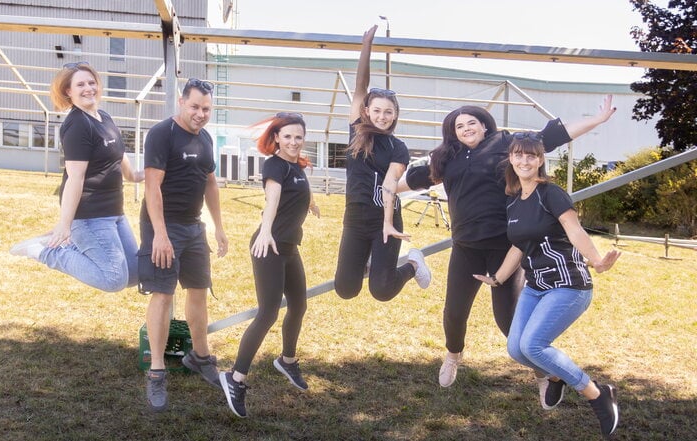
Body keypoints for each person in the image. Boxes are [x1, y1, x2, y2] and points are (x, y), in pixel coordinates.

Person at [400, 95, 616, 388]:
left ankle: (543, 374)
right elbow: (409, 181)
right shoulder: (446, 157)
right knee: (454, 311)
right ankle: (453, 355)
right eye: (459, 126)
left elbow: (551, 136)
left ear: (484, 126)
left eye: (471, 123)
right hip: (466, 247)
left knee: (508, 320)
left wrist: (597, 120)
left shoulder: (505, 145)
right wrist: (382, 190)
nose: (465, 129)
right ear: (453, 132)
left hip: (506, 248)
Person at [473, 132, 621, 438]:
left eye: (531, 156)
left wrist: (595, 259)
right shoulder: (514, 202)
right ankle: (556, 376)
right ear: (511, 159)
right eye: (518, 155)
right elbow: (518, 247)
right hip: (535, 286)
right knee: (516, 349)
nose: (524, 161)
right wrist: (498, 278)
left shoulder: (550, 193)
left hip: (568, 283)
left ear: (540, 160)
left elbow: (574, 229)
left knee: (533, 345)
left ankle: (598, 394)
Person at [218, 112, 320, 418]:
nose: (293, 142)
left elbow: (301, 189)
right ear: (276, 137)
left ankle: (287, 360)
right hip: (270, 246)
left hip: (289, 247)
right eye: (287, 136)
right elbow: (272, 199)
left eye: (298, 137)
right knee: (268, 313)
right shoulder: (275, 165)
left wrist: (312, 203)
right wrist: (265, 231)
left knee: (299, 306)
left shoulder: (297, 165)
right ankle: (235, 378)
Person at [10, 61, 144, 292]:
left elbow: (118, 154)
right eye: (80, 84)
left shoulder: (103, 117)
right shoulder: (77, 125)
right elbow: (75, 177)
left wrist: (135, 175)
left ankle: (66, 242)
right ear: (68, 92)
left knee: (133, 275)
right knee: (113, 279)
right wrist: (65, 224)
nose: (88, 88)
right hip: (90, 214)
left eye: (92, 82)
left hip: (114, 212)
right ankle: (47, 251)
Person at [140, 78, 229, 412]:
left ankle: (200, 356)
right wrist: (160, 234)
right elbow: (152, 188)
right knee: (163, 294)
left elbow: (210, 183)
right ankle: (157, 371)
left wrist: (218, 227)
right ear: (181, 102)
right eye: (195, 107)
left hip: (194, 227)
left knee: (198, 290)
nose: (201, 114)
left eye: (206, 109)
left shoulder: (205, 138)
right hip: (162, 226)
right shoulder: (162, 134)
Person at [333, 25, 431, 303]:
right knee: (346, 289)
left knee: (382, 290)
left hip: (383, 218)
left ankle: (413, 263)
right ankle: (369, 261)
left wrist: (388, 223)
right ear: (366, 111)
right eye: (377, 110)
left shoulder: (397, 148)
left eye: (389, 112)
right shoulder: (357, 130)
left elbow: (390, 185)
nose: (382, 116)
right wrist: (366, 45)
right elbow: (360, 87)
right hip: (354, 218)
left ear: (396, 114)